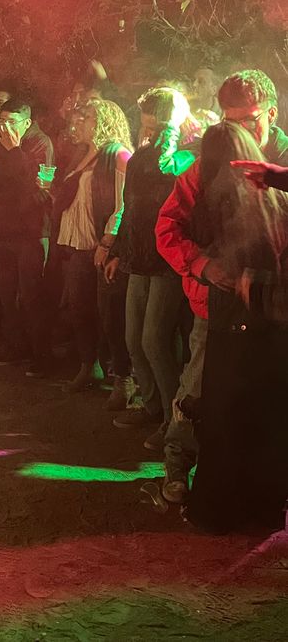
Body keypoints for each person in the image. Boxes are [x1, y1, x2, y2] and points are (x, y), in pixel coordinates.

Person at [156, 69, 288, 528]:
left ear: (271, 113)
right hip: (216, 311)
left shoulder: (285, 164)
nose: (239, 129)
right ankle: (177, 470)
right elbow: (167, 226)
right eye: (230, 119)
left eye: (249, 120)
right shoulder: (210, 161)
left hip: (276, 319)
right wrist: (201, 266)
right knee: (198, 394)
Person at [106, 88, 200, 437]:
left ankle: (172, 421)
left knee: (155, 341)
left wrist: (170, 134)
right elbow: (130, 209)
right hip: (138, 260)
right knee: (134, 339)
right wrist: (117, 251)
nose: (146, 128)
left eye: (153, 120)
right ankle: (152, 406)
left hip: (167, 261)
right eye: (146, 120)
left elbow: (170, 176)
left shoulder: (188, 155)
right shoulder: (139, 158)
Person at [53, 98, 133, 391]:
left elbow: (124, 205)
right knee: (79, 309)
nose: (77, 124)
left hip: (101, 246)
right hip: (78, 245)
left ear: (102, 121)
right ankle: (89, 366)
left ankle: (120, 378)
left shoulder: (120, 156)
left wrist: (107, 241)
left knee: (109, 315)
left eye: (84, 118)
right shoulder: (82, 155)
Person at [0, 98, 54, 374]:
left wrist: (15, 151)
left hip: (32, 232)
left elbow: (39, 189)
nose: (5, 127)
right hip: (5, 231)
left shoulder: (41, 144)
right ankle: (16, 346)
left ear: (27, 122)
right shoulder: (0, 144)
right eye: (2, 121)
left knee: (32, 296)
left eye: (11, 122)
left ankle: (42, 355)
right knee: (6, 294)